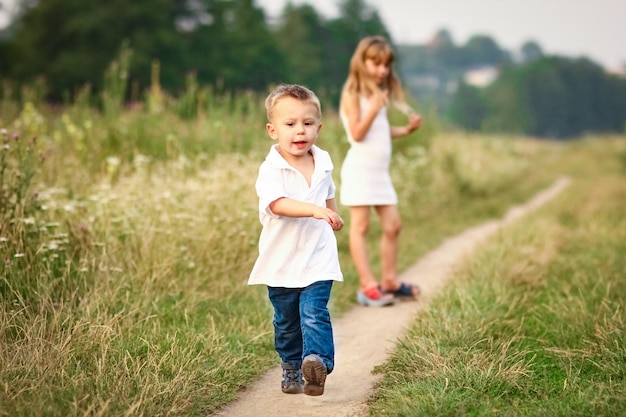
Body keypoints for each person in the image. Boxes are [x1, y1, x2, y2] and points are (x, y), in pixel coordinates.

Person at [248, 84, 344, 396]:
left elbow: (327, 194)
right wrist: (315, 211)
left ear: (319, 127)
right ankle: (291, 364)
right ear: (273, 130)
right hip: (281, 260)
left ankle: (316, 363)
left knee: (314, 313)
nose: (299, 131)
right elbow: (277, 204)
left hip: (318, 257)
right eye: (290, 124)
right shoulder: (271, 168)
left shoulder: (324, 161)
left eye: (307, 123)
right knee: (287, 323)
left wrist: (332, 214)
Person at [339, 35, 422, 307]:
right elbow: (358, 133)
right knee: (360, 226)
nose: (381, 70)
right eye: (375, 63)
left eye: (386, 65)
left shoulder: (377, 95)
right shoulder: (353, 94)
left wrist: (406, 130)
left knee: (393, 226)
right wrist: (374, 109)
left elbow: (379, 132)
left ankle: (390, 281)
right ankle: (367, 285)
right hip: (360, 171)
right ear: (361, 62)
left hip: (380, 175)